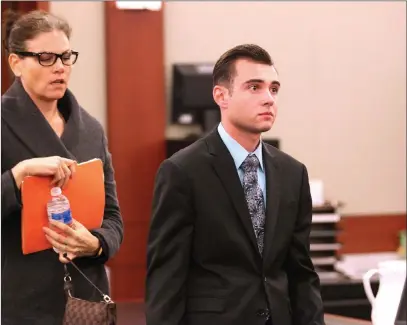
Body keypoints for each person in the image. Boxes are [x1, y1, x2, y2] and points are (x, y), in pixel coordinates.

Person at [146, 44, 325, 325]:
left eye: (273, 89)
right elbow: (166, 276)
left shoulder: (293, 173)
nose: (268, 98)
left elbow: (301, 271)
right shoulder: (182, 171)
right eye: (254, 87)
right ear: (221, 95)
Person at [1, 10, 124, 325]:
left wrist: (95, 244)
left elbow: (112, 217)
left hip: (85, 300)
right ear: (16, 63)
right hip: (19, 301)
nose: (59, 67)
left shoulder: (91, 129)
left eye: (66, 57)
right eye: (45, 57)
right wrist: (17, 176)